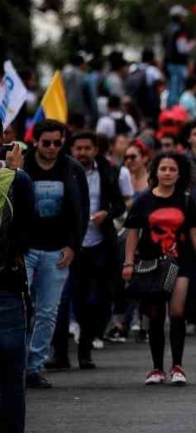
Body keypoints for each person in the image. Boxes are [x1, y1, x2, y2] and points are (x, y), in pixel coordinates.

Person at [122, 152, 196, 385]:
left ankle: (178, 366)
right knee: (155, 315)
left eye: (172, 169)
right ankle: (157, 368)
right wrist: (128, 262)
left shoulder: (185, 200)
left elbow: (195, 232)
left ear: (179, 173)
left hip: (180, 263)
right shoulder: (143, 200)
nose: (168, 173)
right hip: (151, 264)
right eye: (163, 169)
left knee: (177, 312)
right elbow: (132, 232)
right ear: (156, 172)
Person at [49, 131, 125, 371]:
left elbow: (120, 204)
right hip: (68, 245)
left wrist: (107, 214)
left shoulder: (108, 172)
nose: (82, 153)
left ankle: (85, 351)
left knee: (92, 302)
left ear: (95, 150)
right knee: (60, 303)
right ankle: (60, 353)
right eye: (78, 148)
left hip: (98, 245)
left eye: (87, 148)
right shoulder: (62, 170)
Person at [22, 120, 88, 389]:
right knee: (19, 308)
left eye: (57, 143)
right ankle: (13, 364)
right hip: (23, 250)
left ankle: (33, 367)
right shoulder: (21, 166)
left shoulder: (72, 169)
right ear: (35, 141)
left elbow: (81, 210)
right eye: (46, 142)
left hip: (58, 251)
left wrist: (73, 245)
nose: (51, 148)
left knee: (48, 312)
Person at [0, 145, 34, 433]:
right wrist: (17, 169)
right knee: (11, 377)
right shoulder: (16, 180)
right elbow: (28, 233)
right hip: (7, 287)